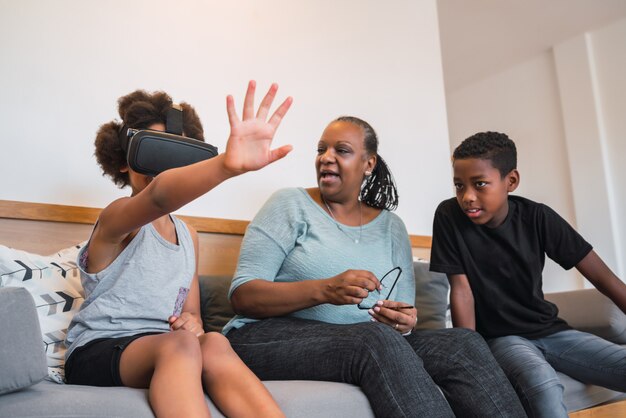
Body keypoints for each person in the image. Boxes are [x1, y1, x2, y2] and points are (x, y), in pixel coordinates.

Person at [223, 117, 526, 418]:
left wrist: (402, 321)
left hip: (356, 340)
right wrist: (325, 289)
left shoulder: (392, 228)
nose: (326, 157)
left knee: (463, 343)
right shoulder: (290, 204)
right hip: (262, 337)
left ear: (369, 164)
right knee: (372, 339)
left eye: (341, 150)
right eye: (321, 149)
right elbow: (243, 295)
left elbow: (402, 324)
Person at [64, 81, 291, 418]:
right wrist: (227, 165)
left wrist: (191, 323)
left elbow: (193, 316)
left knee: (213, 342)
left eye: (174, 156)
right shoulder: (117, 221)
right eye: (152, 153)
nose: (162, 167)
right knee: (182, 345)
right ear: (124, 162)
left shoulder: (189, 237)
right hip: (98, 350)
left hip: (165, 348)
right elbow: (158, 196)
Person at [430, 131, 626, 418]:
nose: (467, 197)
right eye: (459, 186)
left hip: (554, 331)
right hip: (502, 340)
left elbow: (605, 279)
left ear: (511, 181)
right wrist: (472, 357)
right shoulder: (449, 216)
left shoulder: (537, 217)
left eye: (480, 184)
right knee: (543, 386)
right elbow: (462, 290)